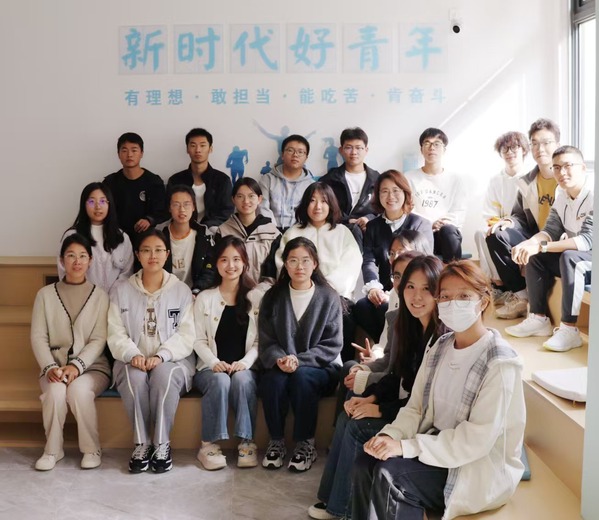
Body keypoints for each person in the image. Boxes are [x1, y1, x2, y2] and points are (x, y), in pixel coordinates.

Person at [353, 260, 526, 520]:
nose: (452, 303)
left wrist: (406, 447)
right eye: (445, 296)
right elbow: (415, 408)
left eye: (464, 296)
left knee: (391, 476)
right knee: (365, 463)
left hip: (473, 466)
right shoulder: (440, 346)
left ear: (483, 302)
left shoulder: (499, 361)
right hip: (435, 448)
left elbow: (475, 441)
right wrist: (390, 436)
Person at [309, 255, 445, 520]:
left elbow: (426, 404)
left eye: (426, 288)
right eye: (410, 286)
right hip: (406, 410)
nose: (416, 296)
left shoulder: (442, 338)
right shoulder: (408, 325)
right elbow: (396, 375)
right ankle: (331, 500)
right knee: (348, 415)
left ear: (438, 292)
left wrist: (380, 409)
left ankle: (342, 509)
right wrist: (370, 398)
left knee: (359, 428)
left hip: (425, 423)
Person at [107, 229, 196, 474]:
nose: (153, 256)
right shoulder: (121, 291)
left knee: (163, 376)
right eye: (146, 250)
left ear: (167, 254)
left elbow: (187, 334)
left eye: (158, 250)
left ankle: (162, 444)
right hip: (131, 359)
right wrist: (133, 354)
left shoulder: (181, 291)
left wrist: (161, 356)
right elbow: (115, 332)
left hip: (173, 360)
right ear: (137, 254)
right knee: (134, 378)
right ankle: (142, 444)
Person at [259, 237, 342, 472]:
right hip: (281, 363)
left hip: (320, 367)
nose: (299, 266)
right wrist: (280, 358)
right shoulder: (273, 297)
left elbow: (332, 344)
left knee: (302, 377)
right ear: (285, 264)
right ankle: (276, 441)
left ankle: (306, 443)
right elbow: (267, 340)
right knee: (272, 380)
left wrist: (299, 360)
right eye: (293, 260)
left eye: (306, 260)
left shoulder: (329, 297)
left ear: (315, 264)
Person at [31, 233, 111, 471]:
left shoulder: (100, 296)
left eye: (83, 256)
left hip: (93, 368)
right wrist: (50, 367)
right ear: (62, 260)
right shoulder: (45, 295)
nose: (77, 261)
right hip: (54, 367)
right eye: (71, 256)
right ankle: (52, 450)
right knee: (55, 392)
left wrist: (77, 365)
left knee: (78, 390)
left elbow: (99, 339)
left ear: (90, 261)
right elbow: (38, 337)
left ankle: (92, 449)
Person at [505, 145, 593, 352]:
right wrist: (530, 244)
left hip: (588, 257)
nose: (561, 172)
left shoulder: (593, 194)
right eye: (556, 167)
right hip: (581, 258)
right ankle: (538, 319)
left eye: (568, 166)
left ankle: (569, 329)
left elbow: (587, 241)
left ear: (583, 168)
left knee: (570, 257)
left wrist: (541, 246)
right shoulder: (561, 193)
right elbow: (551, 230)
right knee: (536, 257)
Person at [193, 237, 263, 470]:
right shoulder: (205, 298)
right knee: (220, 380)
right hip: (209, 368)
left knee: (242, 379)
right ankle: (208, 445)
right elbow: (198, 339)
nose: (230, 265)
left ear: (244, 263)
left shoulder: (255, 298)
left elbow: (260, 341)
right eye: (224, 260)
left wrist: (245, 363)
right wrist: (214, 362)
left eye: (236, 259)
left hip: (245, 367)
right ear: (216, 263)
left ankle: (247, 442)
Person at [275, 182, 362, 361]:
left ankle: (339, 369)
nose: (318, 206)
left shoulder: (342, 232)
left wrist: (324, 290)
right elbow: (282, 263)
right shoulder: (293, 232)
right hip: (298, 294)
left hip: (335, 295)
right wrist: (306, 288)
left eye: (323, 201)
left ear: (331, 205)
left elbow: (351, 265)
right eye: (312, 201)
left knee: (345, 318)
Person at [486, 118, 561, 319]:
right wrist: (509, 221)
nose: (540, 148)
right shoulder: (527, 181)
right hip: (535, 236)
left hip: (559, 241)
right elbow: (519, 215)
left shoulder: (565, 176)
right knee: (496, 234)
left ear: (557, 144)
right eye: (534, 143)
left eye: (546, 142)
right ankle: (521, 296)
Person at [356, 170, 433, 342]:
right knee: (362, 307)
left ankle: (398, 345)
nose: (390, 196)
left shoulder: (421, 224)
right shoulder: (373, 226)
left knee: (392, 308)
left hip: (413, 289)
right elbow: (369, 260)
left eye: (396, 190)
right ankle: (385, 347)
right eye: (384, 191)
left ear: (405, 193)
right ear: (378, 196)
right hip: (382, 289)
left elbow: (426, 264)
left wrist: (395, 293)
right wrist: (374, 288)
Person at [474, 132, 528, 294]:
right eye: (505, 149)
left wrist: (508, 223)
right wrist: (497, 222)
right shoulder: (496, 180)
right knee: (480, 233)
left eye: (514, 147)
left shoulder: (530, 177)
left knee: (496, 234)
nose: (509, 152)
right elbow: (489, 211)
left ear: (524, 150)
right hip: (500, 224)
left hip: (523, 228)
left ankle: (508, 287)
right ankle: (495, 283)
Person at [58, 182, 133, 294]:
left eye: (102, 201)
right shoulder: (72, 236)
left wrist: (112, 297)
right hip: (82, 298)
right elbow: (64, 271)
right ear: (84, 204)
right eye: (92, 202)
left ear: (109, 204)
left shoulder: (122, 237)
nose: (98, 206)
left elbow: (127, 273)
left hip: (115, 299)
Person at [405, 128, 466, 263]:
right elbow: (407, 209)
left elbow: (459, 210)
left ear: (444, 150)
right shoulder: (409, 177)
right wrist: (430, 224)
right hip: (420, 233)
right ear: (421, 150)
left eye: (437, 144)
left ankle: (453, 273)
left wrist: (442, 224)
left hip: (445, 234)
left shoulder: (455, 179)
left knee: (448, 231)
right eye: (427, 143)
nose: (432, 147)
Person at [320, 127, 380, 250]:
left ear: (366, 150)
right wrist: (347, 220)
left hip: (370, 236)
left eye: (359, 148)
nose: (354, 152)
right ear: (341, 150)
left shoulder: (377, 179)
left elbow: (385, 209)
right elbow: (322, 210)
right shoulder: (330, 179)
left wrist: (369, 219)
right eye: (348, 147)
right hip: (337, 236)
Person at [103, 132, 168, 242]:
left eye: (134, 150)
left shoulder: (153, 181)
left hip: (145, 238)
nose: (129, 155)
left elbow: (162, 211)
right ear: (118, 154)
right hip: (117, 238)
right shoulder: (110, 182)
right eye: (124, 150)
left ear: (141, 153)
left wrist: (149, 220)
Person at [217, 178, 281, 285]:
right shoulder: (223, 231)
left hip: (265, 292)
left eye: (251, 196)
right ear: (233, 199)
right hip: (231, 290)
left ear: (259, 199)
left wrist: (261, 291)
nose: (246, 201)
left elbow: (275, 271)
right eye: (240, 196)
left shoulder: (273, 233)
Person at [167, 128, 234, 230]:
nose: (198, 150)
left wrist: (204, 227)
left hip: (212, 230)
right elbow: (169, 210)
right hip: (182, 229)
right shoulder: (175, 180)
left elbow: (226, 212)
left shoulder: (222, 180)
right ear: (187, 149)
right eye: (193, 145)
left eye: (202, 145)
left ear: (210, 149)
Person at [160, 184, 215, 296]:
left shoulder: (204, 236)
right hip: (164, 295)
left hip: (195, 295)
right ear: (169, 207)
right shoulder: (159, 235)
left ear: (194, 207)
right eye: (176, 205)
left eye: (187, 204)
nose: (182, 209)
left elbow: (209, 271)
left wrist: (196, 291)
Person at [259, 134, 315, 231]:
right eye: (290, 150)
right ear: (282, 155)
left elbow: (311, 214)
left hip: (300, 231)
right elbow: (262, 208)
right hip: (270, 230)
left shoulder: (311, 185)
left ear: (306, 157)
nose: (295, 155)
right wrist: (273, 231)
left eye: (300, 152)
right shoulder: (267, 179)